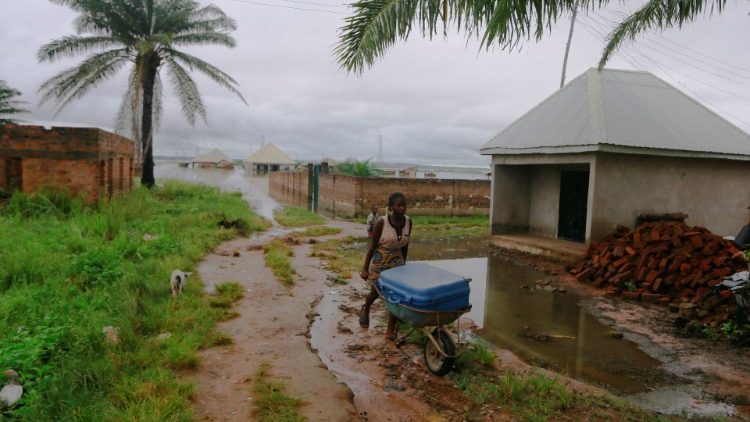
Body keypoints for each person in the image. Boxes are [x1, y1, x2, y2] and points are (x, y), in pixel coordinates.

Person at [359, 192, 412, 340]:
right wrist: (365, 269)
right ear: (390, 207)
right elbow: (372, 246)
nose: (402, 208)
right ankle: (366, 308)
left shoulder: (409, 222)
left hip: (397, 260)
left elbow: (406, 245)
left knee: (396, 296)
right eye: (399, 206)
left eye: (404, 205)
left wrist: (404, 265)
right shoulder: (382, 222)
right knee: (375, 292)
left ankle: (389, 330)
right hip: (380, 259)